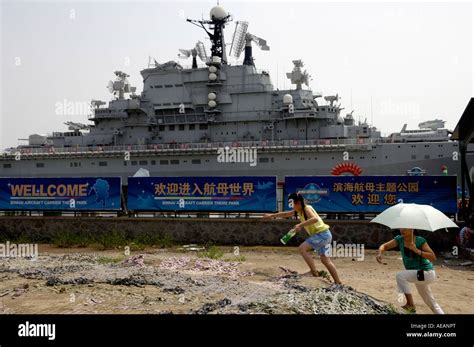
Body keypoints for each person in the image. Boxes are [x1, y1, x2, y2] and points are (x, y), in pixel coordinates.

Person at [263, 192, 342, 284]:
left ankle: (314, 272)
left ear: (298, 203)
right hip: (325, 234)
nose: (293, 207)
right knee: (325, 260)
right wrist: (271, 216)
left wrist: (300, 225)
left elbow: (314, 219)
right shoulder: (300, 210)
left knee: (302, 248)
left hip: (322, 235)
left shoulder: (306, 208)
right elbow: (286, 214)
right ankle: (338, 281)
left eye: (293, 205)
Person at [376, 228, 444, 314]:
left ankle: (410, 305)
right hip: (417, 274)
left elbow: (433, 257)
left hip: (426, 273)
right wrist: (379, 253)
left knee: (400, 276)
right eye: (401, 227)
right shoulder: (400, 239)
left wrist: (416, 250)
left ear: (412, 229)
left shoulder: (420, 240)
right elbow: (384, 246)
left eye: (405, 228)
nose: (402, 230)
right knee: (430, 301)